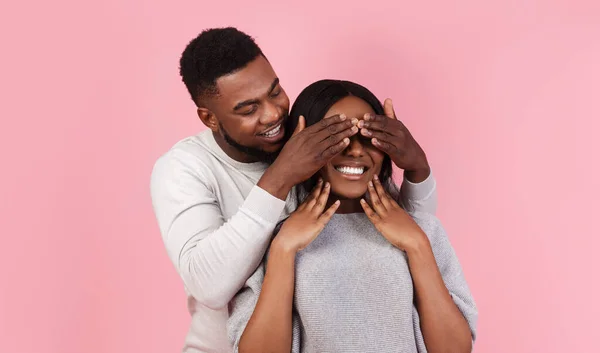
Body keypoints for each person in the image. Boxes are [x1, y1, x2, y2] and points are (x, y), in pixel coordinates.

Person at [150, 28, 438, 353]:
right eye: (248, 109)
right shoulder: (183, 168)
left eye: (275, 92)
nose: (273, 114)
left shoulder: (308, 138)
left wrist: (417, 169)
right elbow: (208, 287)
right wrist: (280, 177)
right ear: (209, 118)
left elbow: (407, 237)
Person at [227, 80, 477, 353]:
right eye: (334, 137)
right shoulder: (271, 238)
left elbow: (456, 349)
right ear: (301, 146)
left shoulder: (422, 230)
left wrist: (416, 246)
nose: (355, 150)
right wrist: (284, 249)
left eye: (368, 136)